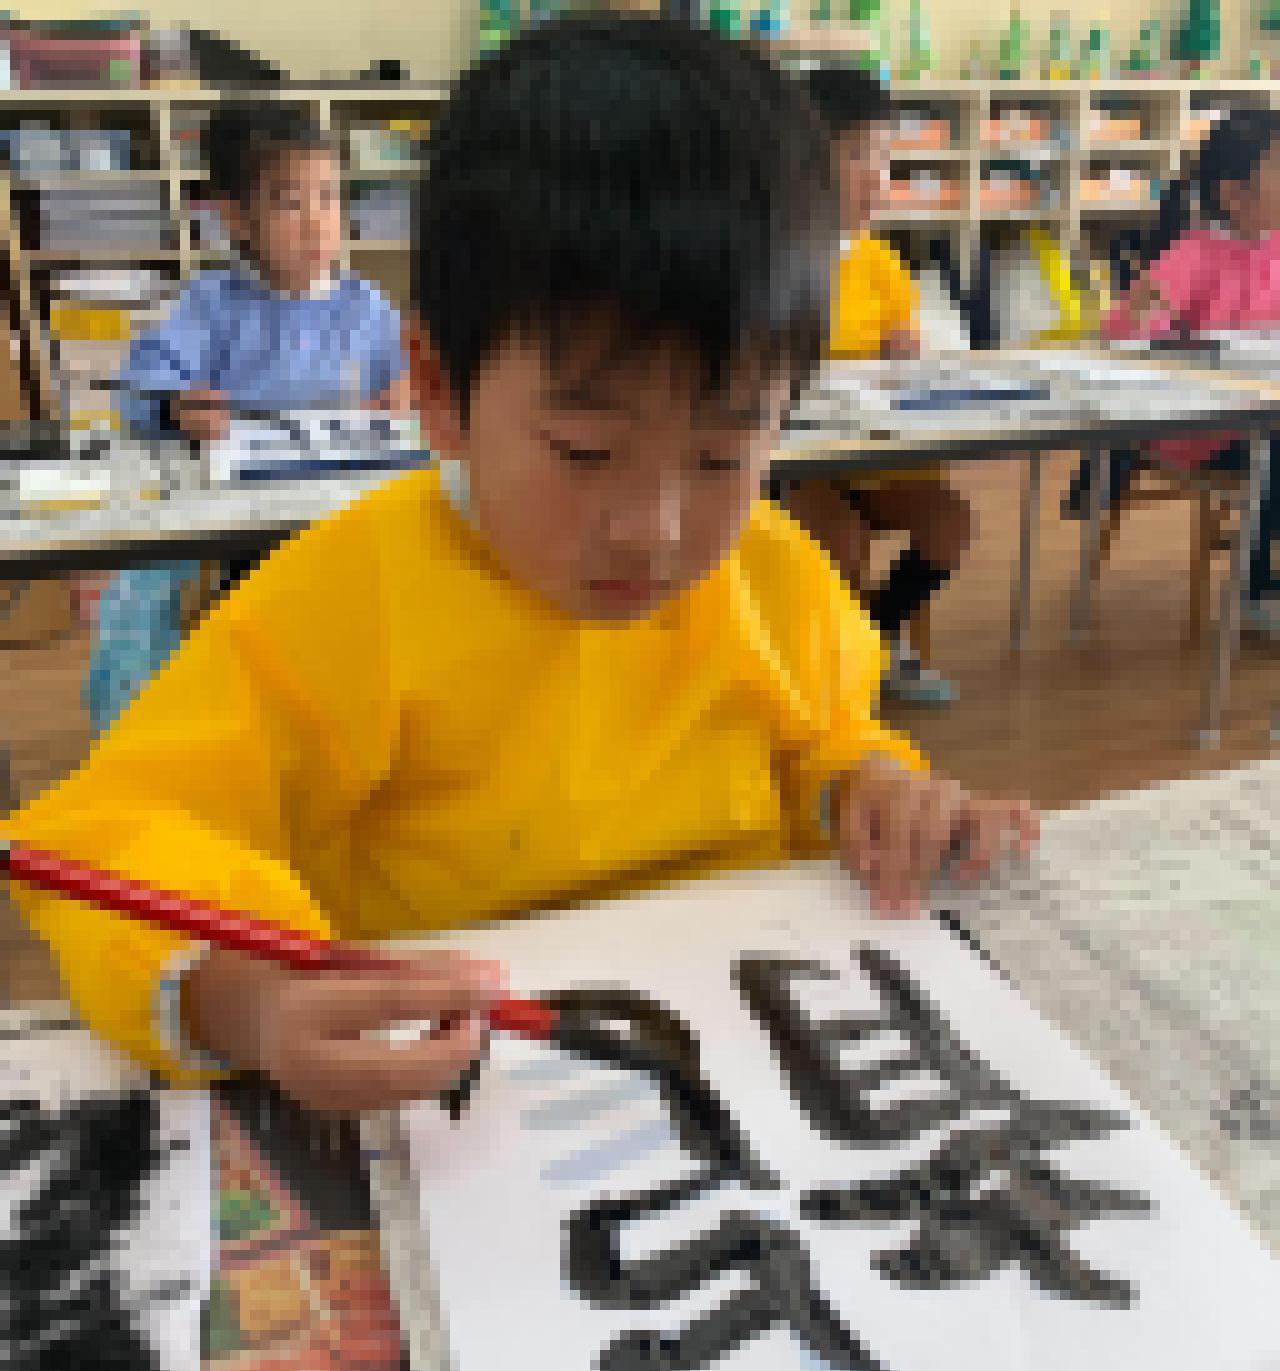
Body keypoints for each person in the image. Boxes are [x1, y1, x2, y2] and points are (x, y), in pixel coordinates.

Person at [5, 14, 1037, 1121]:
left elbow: (817, 738)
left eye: (722, 456)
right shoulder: (350, 600)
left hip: (747, 1068)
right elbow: (116, 840)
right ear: (438, 389)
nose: (652, 530)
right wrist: (247, 1002)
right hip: (467, 1099)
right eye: (584, 451)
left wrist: (869, 792)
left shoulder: (772, 569)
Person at [78, 101, 411, 734]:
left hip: (346, 516)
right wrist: (177, 407)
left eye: (329, 196)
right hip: (246, 524)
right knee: (260, 640)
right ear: (236, 217)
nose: (317, 221)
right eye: (289, 201)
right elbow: (142, 389)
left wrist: (402, 394)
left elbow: (403, 383)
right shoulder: (212, 305)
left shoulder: (364, 306)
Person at [776, 65, 974, 706]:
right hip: (796, 462)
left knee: (950, 524)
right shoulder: (773, 259)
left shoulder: (881, 262)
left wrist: (912, 362)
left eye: (884, 158)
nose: (876, 177)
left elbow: (904, 356)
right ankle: (832, 665)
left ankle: (875, 637)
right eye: (858, 155)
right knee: (841, 538)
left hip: (876, 454)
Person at [1098, 106, 1280, 638]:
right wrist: (1148, 316)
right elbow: (1127, 336)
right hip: (1201, 429)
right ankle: (1254, 590)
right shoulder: (1192, 255)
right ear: (1235, 193)